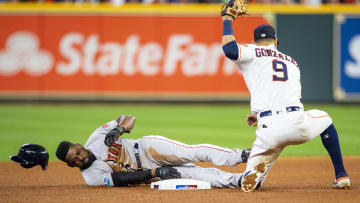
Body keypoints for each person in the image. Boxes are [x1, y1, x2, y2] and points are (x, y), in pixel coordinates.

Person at [220, 10, 350, 192]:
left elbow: (230, 49)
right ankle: (341, 174)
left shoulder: (253, 51)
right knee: (325, 119)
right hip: (298, 124)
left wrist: (227, 20)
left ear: (254, 41)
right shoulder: (292, 62)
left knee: (253, 175)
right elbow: (286, 94)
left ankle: (255, 173)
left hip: (269, 129)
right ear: (276, 41)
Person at [56, 115, 251, 188]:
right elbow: (122, 180)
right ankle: (241, 180)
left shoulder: (97, 137)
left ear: (79, 145)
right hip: (148, 175)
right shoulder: (91, 178)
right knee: (195, 175)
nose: (80, 158)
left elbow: (129, 117)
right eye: (75, 160)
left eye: (77, 152)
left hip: (147, 148)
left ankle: (240, 155)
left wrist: (119, 129)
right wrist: (155, 173)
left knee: (193, 152)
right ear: (71, 165)